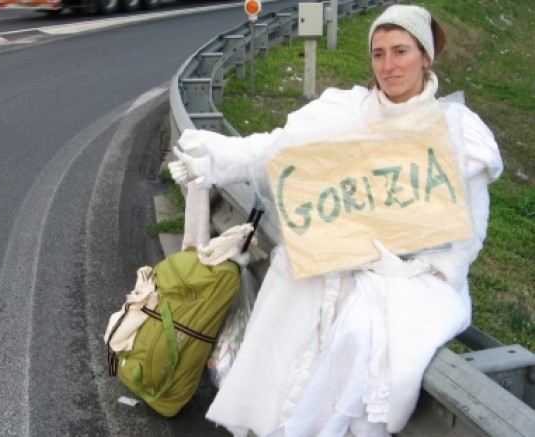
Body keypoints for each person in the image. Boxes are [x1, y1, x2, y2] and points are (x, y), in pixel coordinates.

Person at [168, 5, 503, 436]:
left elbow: (465, 236)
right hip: (327, 258)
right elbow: (276, 150)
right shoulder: (345, 111)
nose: (388, 65)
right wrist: (212, 159)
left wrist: (402, 265)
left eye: (400, 51)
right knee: (293, 297)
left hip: (404, 276)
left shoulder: (457, 134)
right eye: (378, 54)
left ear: (426, 56)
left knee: (362, 330)